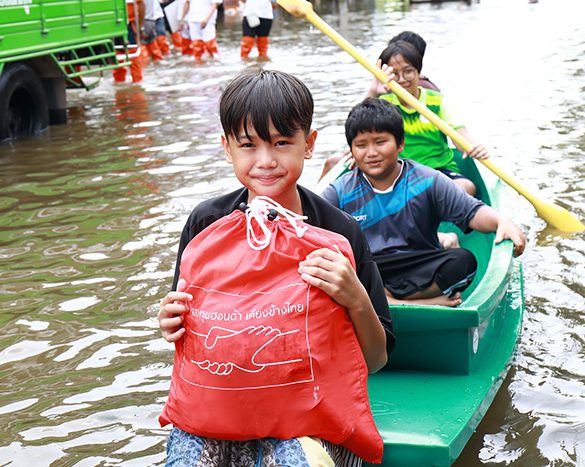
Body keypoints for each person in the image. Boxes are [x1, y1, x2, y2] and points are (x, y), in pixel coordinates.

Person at [157, 70, 394, 465]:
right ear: (227, 148)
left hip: (311, 419)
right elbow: (193, 341)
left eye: (282, 143)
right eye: (248, 145)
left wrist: (355, 297)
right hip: (222, 414)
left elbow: (376, 360)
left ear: (309, 144)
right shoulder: (206, 224)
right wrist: (169, 324)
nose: (266, 161)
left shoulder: (338, 232)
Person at [321, 98, 526, 307]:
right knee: (343, 267)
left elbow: (472, 212)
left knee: (464, 262)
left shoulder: (427, 180)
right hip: (371, 268)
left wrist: (501, 222)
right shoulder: (342, 190)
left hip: (418, 263)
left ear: (400, 144)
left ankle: (391, 301)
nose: (372, 153)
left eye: (380, 142)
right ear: (352, 151)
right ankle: (409, 302)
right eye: (361, 145)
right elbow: (311, 227)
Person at [376, 40, 489, 196]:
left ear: (418, 72)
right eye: (395, 74)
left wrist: (474, 146)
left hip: (440, 171)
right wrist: (372, 92)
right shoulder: (383, 102)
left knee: (466, 187)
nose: (402, 79)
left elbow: (460, 135)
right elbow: (364, 130)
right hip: (402, 173)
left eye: (408, 71)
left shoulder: (437, 101)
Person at [113, 0, 145, 83]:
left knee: (133, 57)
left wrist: (140, 27)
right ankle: (120, 82)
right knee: (117, 56)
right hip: (113, 24)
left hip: (128, 24)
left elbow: (141, 4)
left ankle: (136, 83)